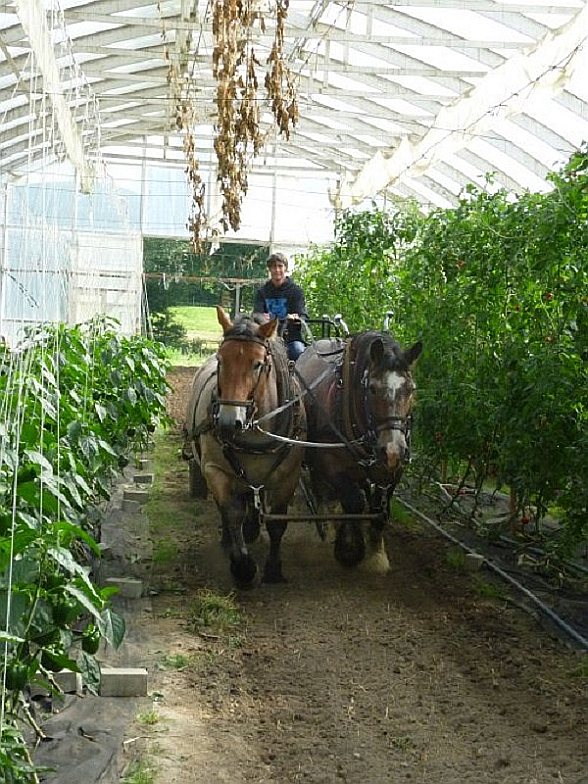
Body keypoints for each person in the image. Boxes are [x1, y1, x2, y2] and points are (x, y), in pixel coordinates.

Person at [253, 252, 308, 360]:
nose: (277, 270)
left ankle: (294, 377)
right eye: (273, 267)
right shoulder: (262, 292)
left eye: (280, 266)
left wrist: (295, 318)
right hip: (266, 337)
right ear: (269, 269)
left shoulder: (296, 291)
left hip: (291, 338)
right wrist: (285, 316)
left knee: (298, 352)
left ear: (285, 268)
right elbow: (257, 316)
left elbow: (302, 316)